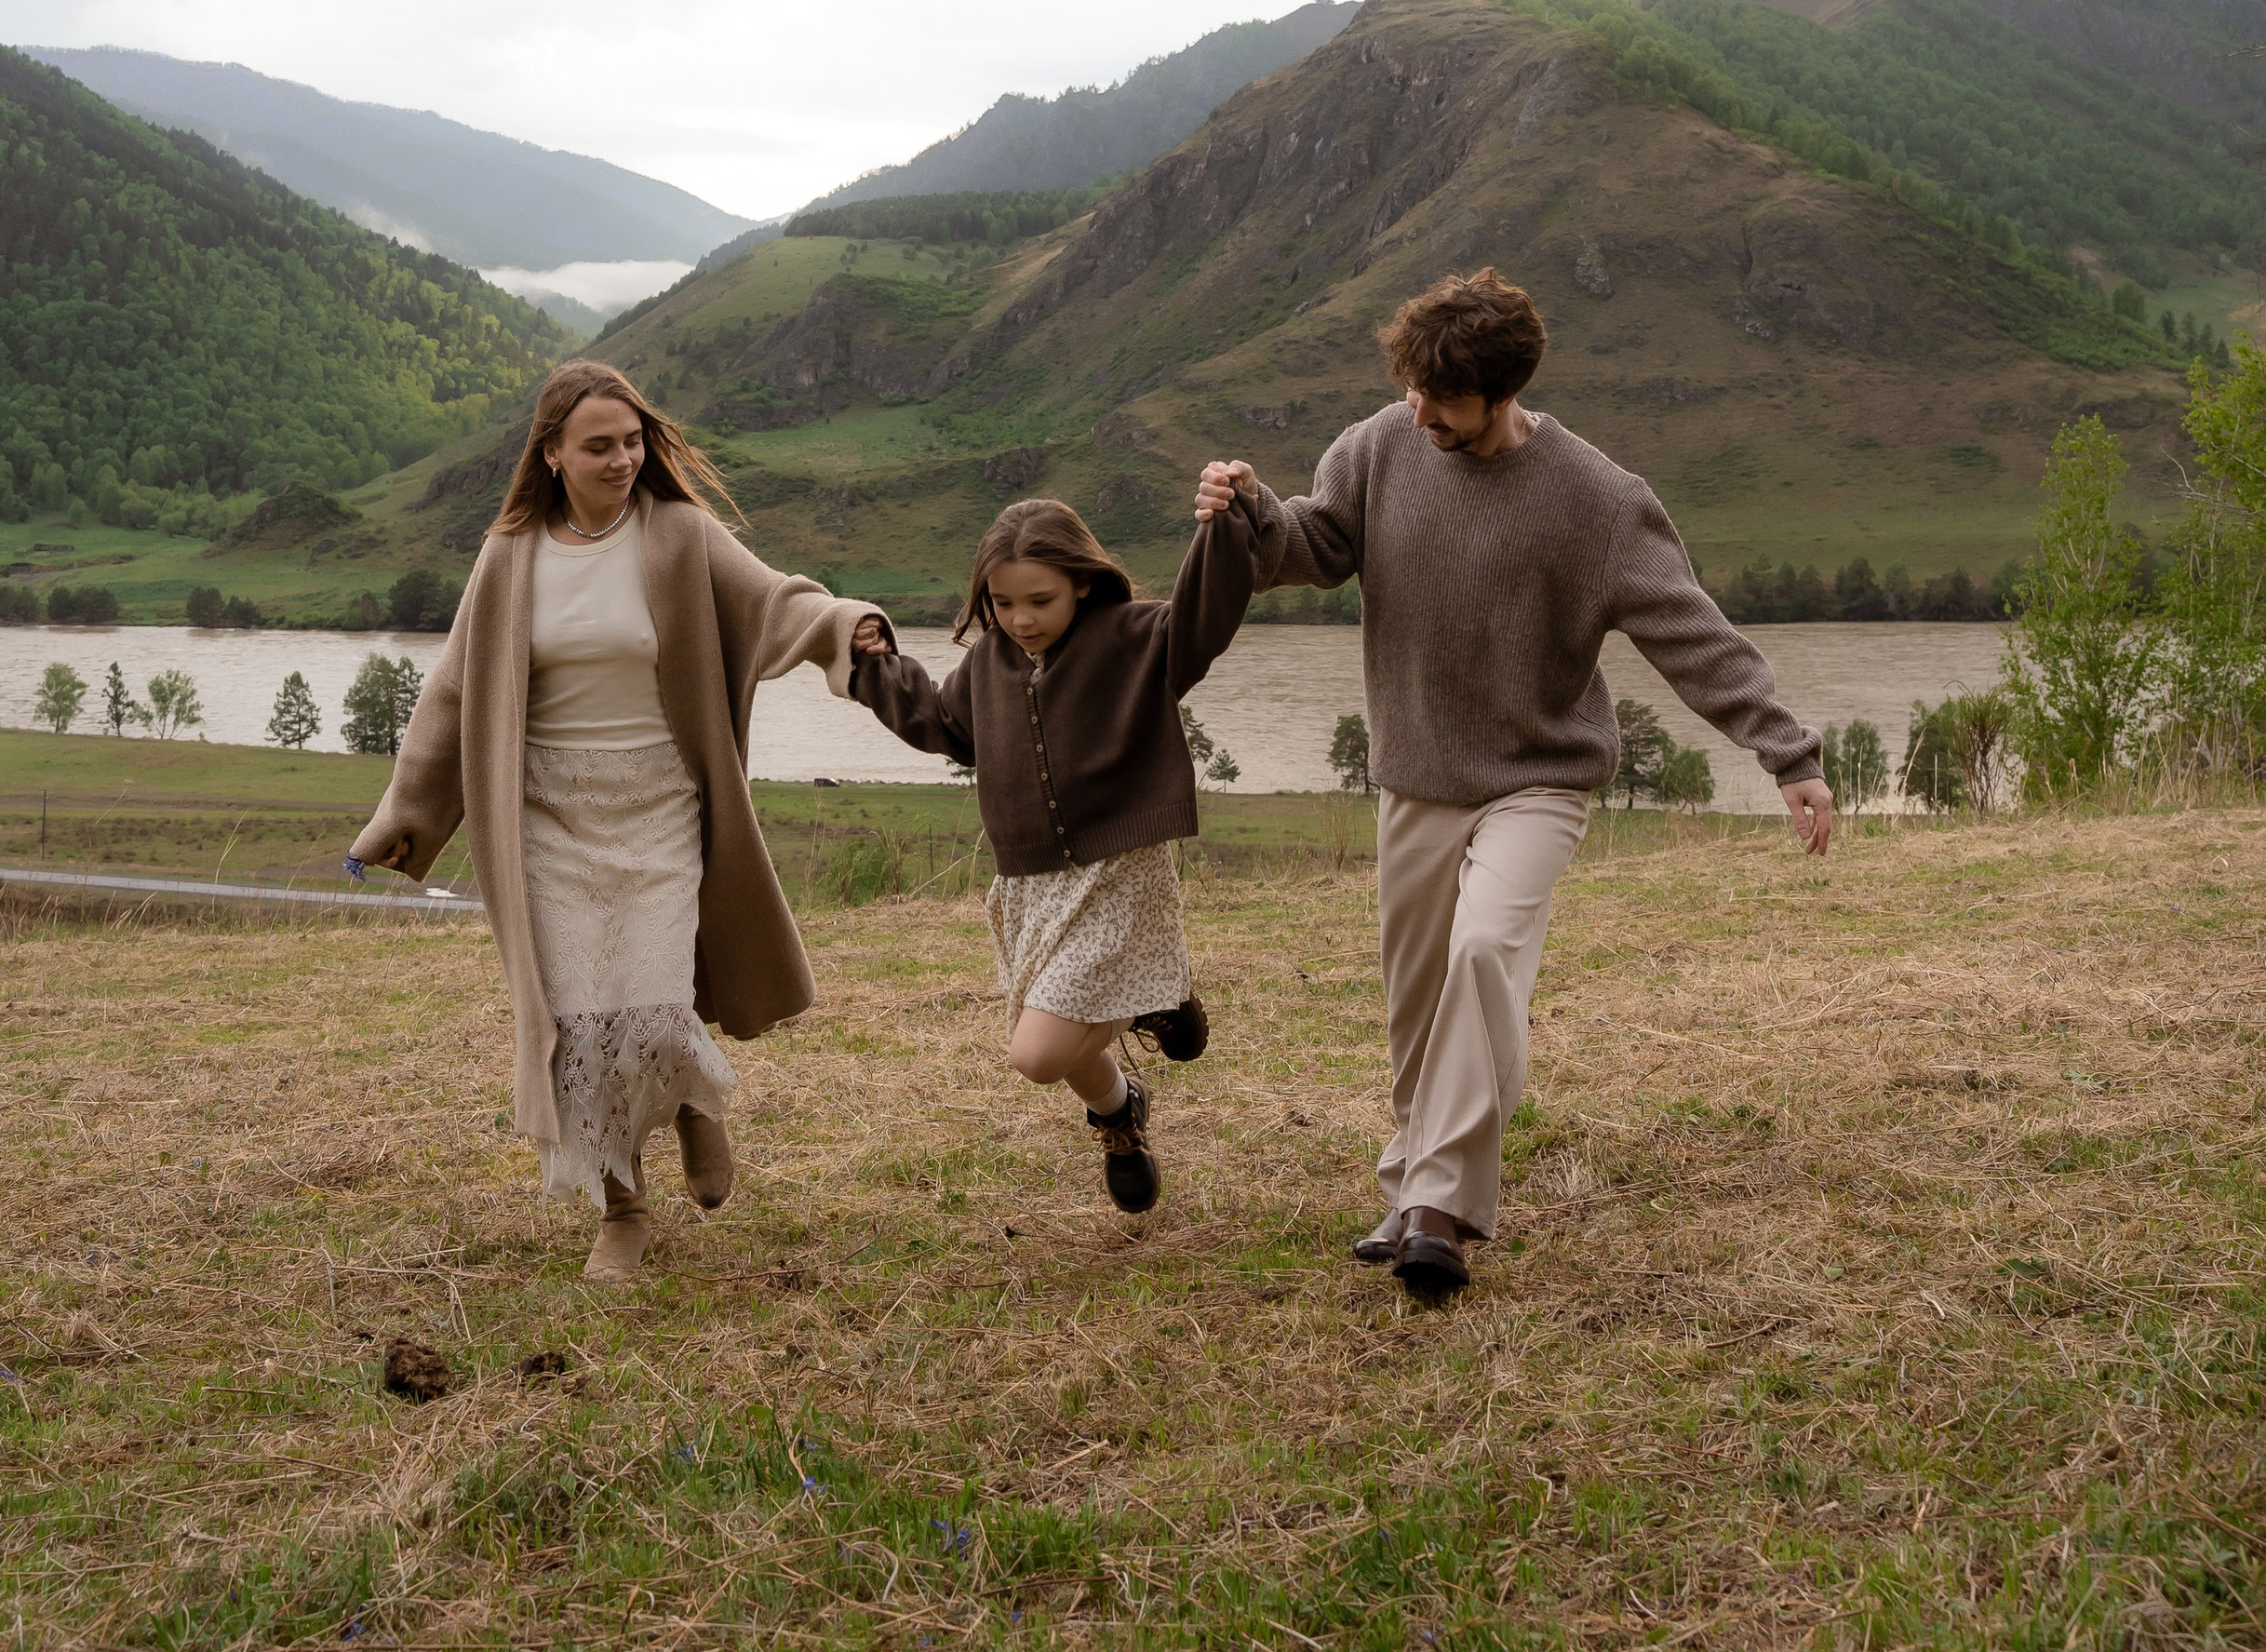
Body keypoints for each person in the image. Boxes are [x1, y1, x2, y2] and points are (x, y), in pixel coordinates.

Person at [1197, 268, 1830, 1307]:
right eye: (1409, 391)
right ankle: (1410, 1185)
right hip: (1415, 774)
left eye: (1439, 402)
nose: (1417, 413)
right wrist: (1252, 512)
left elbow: (1692, 634)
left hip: (1538, 775)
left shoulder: (1599, 501)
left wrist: (1787, 754)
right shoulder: (1377, 447)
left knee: (1485, 949)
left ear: (1502, 392)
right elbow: (1312, 547)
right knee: (1415, 1002)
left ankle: (1438, 1208)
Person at [349, 358, 889, 1285]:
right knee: (575, 1020)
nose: (621, 459)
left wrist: (845, 626)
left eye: (632, 442)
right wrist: (407, 810)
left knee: (649, 1001)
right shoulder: (510, 556)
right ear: (551, 454)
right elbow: (452, 692)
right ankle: (625, 1210)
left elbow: (773, 602)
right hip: (546, 815)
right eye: (598, 446)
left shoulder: (678, 535)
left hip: (660, 801)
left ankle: (694, 1106)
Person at [842, 488, 1272, 1215]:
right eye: (1002, 604)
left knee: (1037, 1052)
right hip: (1031, 882)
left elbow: (1206, 616)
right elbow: (940, 723)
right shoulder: (989, 664)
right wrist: (876, 664)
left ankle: (1153, 998)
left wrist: (1226, 523)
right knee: (1055, 1033)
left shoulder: (1139, 638)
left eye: (1039, 600)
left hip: (1119, 867)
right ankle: (1120, 1113)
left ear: (1081, 579)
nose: (1020, 620)